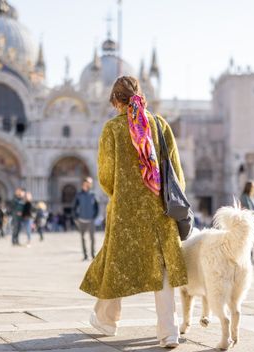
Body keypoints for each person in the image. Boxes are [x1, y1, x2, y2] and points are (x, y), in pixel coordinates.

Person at [80, 76, 187, 348]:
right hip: (160, 210)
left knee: (116, 264)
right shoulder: (159, 124)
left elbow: (105, 176)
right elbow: (176, 172)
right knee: (161, 267)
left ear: (116, 100)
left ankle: (106, 320)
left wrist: (122, 193)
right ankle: (169, 331)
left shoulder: (112, 129)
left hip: (125, 212)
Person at [74, 177, 99, 261]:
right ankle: (85, 255)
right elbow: (74, 206)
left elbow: (97, 207)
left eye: (89, 183)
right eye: (86, 183)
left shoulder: (93, 194)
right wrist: (76, 217)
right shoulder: (79, 195)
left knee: (92, 238)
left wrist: (94, 216)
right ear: (83, 184)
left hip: (91, 220)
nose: (87, 185)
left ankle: (93, 255)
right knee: (83, 238)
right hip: (81, 220)